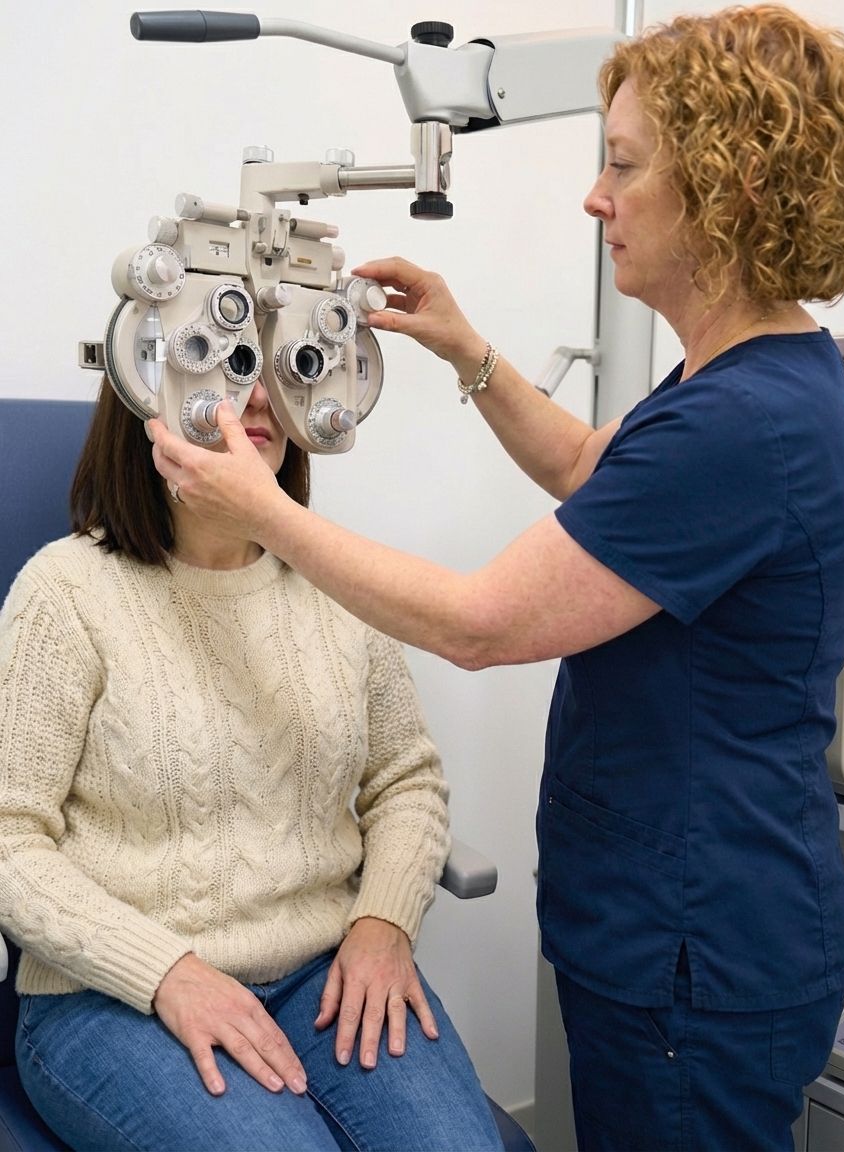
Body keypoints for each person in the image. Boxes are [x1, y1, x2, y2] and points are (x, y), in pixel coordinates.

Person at [148, 5, 844, 1149]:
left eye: (624, 165)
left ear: (727, 188)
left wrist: (261, 509)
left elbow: (480, 625)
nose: (596, 197)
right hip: (689, 929)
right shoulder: (755, 381)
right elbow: (597, 471)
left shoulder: (739, 424)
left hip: (693, 951)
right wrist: (471, 351)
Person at [0, 377, 506, 1152]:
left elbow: (405, 780)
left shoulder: (336, 583)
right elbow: (9, 840)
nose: (262, 398)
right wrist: (165, 971)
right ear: (146, 393)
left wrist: (382, 922)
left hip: (322, 973)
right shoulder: (64, 595)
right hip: (111, 992)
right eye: (229, 368)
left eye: (282, 370)